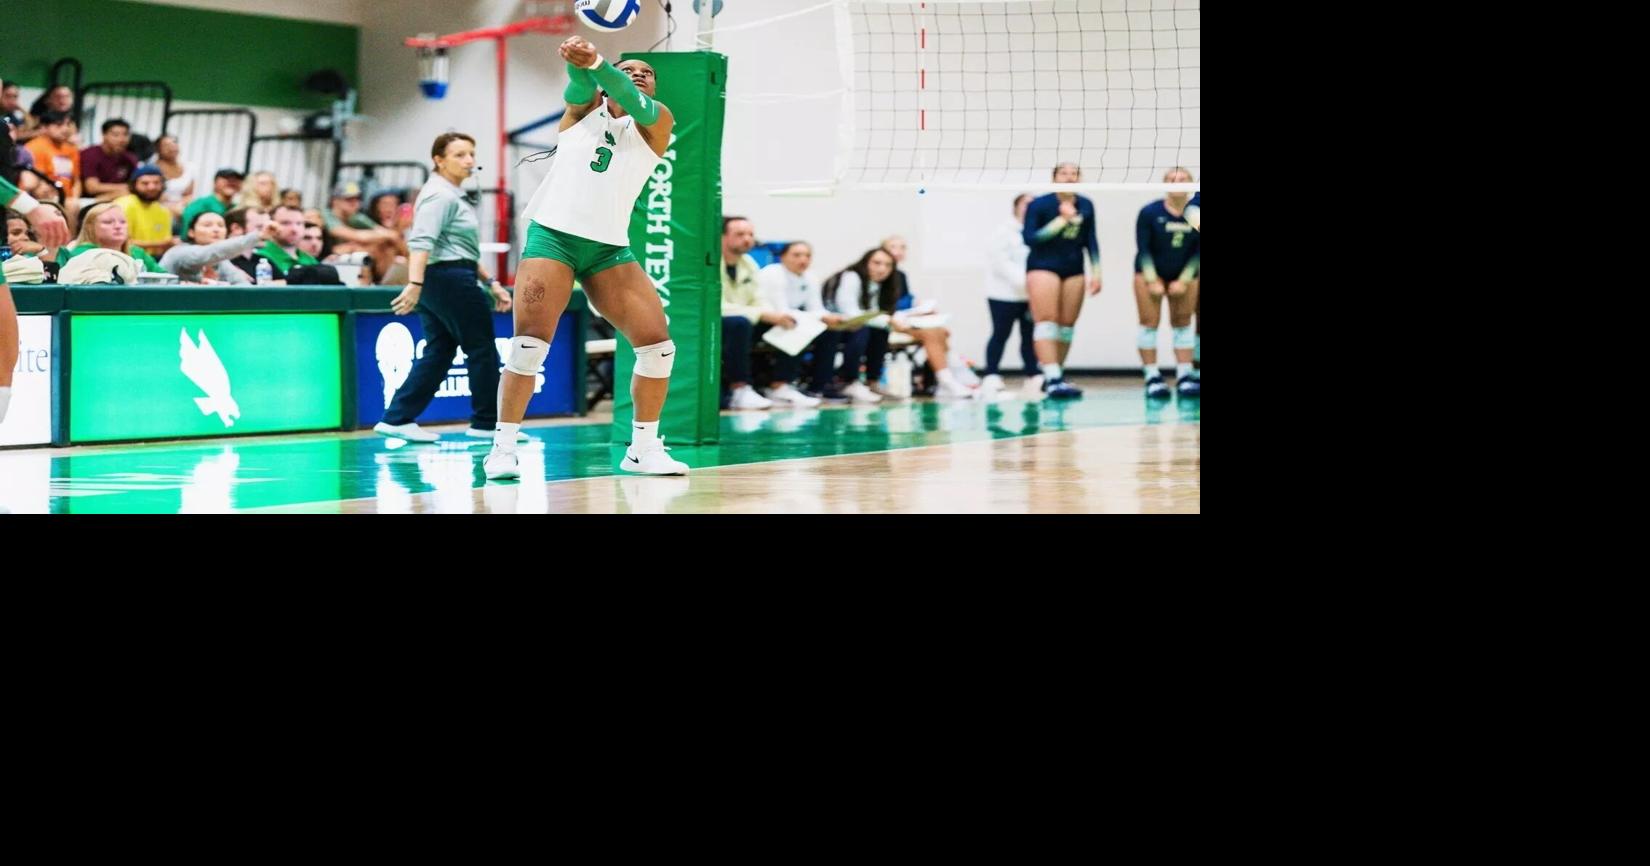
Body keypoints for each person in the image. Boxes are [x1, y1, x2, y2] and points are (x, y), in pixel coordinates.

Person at [482, 34, 686, 478]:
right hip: (553, 237)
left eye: (646, 72)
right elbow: (578, 86)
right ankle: (502, 448)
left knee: (658, 349)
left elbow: (629, 96)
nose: (637, 76)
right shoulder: (581, 113)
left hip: (608, 246)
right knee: (529, 348)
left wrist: (598, 62)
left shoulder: (657, 123)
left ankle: (643, 449)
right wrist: (580, 63)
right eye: (627, 69)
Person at [378, 132, 517, 443]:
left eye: (471, 153)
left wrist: (491, 282)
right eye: (459, 155)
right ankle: (486, 423)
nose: (469, 160)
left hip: (449, 275)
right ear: (438, 161)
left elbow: (462, 248)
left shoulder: (452, 195)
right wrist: (414, 283)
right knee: (481, 347)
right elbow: (421, 242)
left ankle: (397, 418)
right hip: (447, 278)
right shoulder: (439, 195)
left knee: (441, 349)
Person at [1023, 161, 1100, 400]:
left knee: (1066, 325)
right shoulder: (1039, 204)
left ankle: (1055, 375)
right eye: (1064, 173)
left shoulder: (1086, 204)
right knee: (1047, 321)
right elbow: (1031, 239)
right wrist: (1061, 221)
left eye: (1074, 173)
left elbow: (1091, 240)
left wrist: (1096, 272)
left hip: (1074, 268)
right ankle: (1053, 376)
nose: (1069, 177)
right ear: (1054, 178)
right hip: (1043, 267)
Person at [1133, 167, 1200, 397]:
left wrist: (1184, 279)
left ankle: (1184, 375)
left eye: (1183, 179)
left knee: (1182, 323)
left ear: (1192, 184)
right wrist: (1152, 279)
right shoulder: (1150, 212)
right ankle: (1152, 376)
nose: (1177, 182)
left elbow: (1198, 251)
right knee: (1149, 323)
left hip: (1185, 273)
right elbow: (1143, 247)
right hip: (1149, 272)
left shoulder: (1196, 213)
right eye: (1172, 179)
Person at [981, 193, 1040, 397]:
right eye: (1026, 204)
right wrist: (1025, 282)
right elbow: (999, 262)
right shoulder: (1003, 232)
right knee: (1000, 334)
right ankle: (991, 374)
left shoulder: (1036, 231)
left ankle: (1033, 375)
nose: (1030, 207)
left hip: (1031, 296)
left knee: (1030, 337)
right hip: (1003, 295)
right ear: (1015, 207)